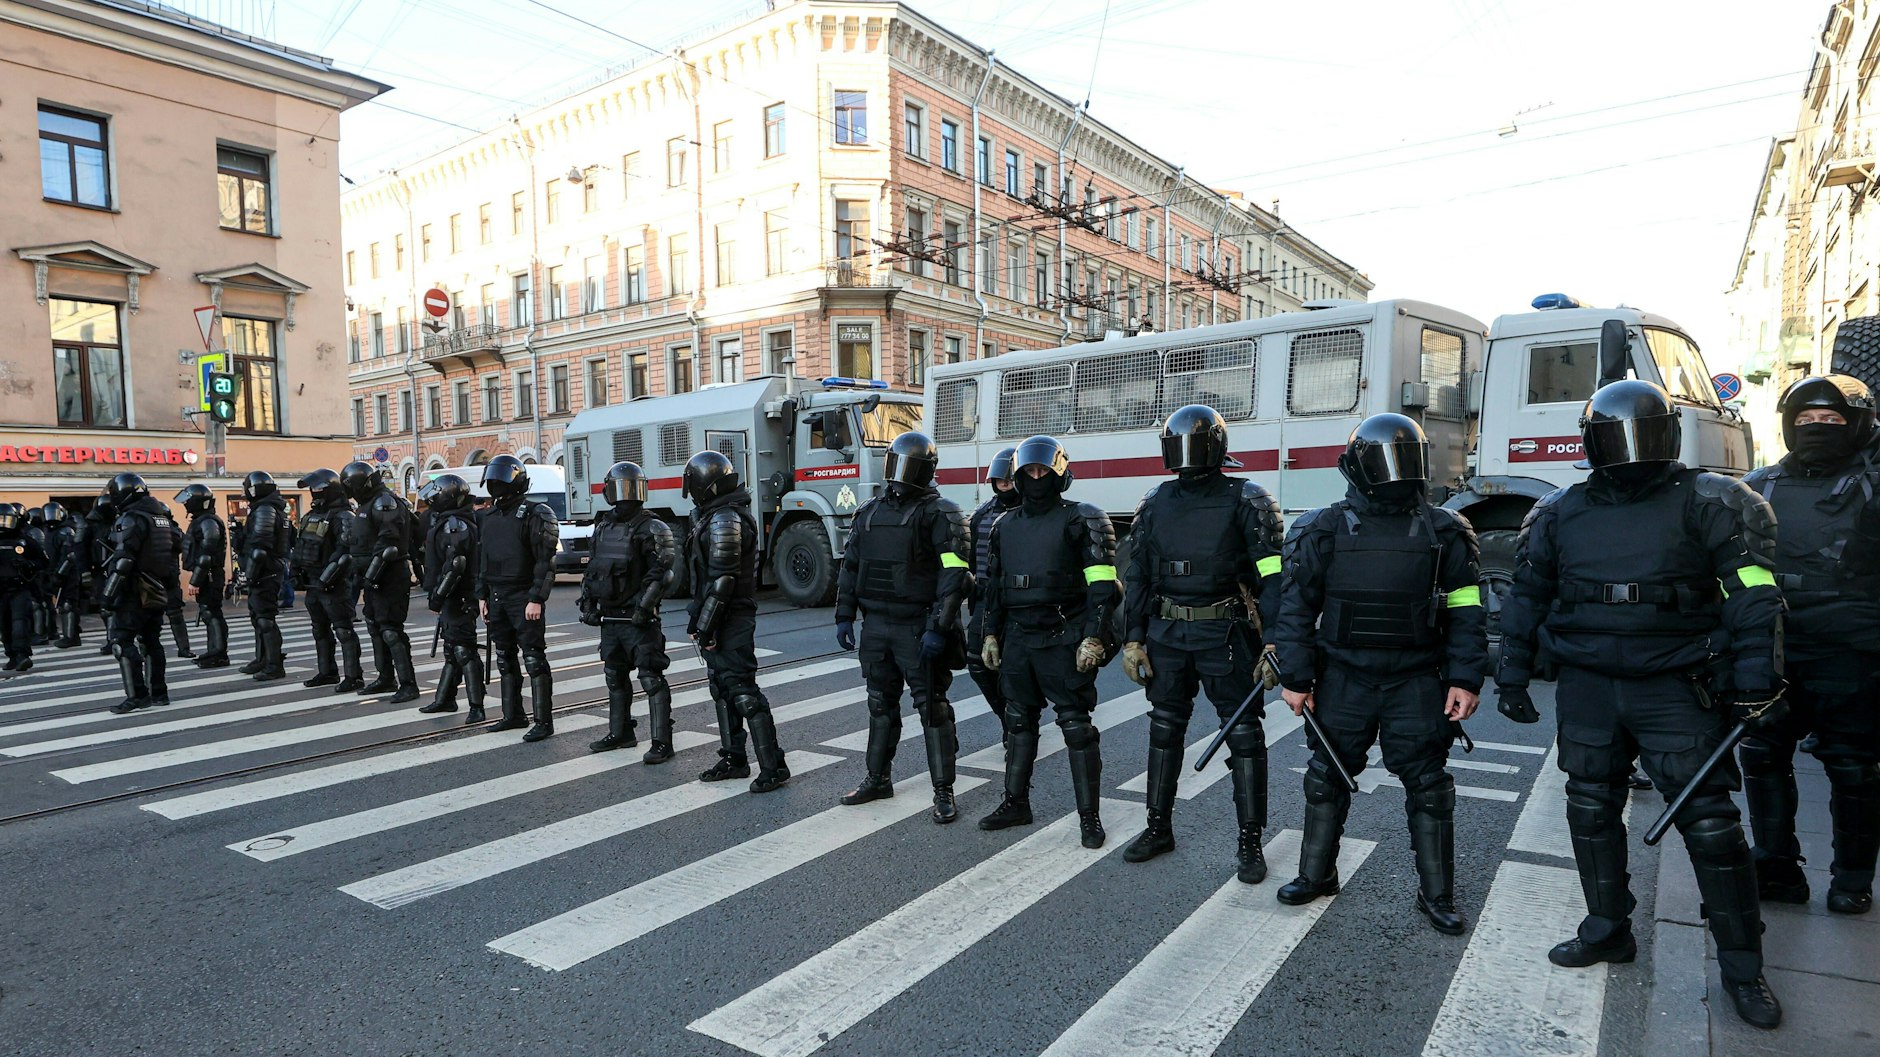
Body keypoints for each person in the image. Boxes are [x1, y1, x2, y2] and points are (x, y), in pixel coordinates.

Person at [1497, 379, 1784, 1029]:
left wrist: (1755, 677)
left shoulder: (1711, 501)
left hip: (1675, 684)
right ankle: (1607, 928)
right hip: (1590, 683)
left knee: (1711, 823)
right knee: (1590, 808)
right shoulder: (1560, 510)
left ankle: (1743, 966)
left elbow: (1753, 593)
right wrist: (1510, 671)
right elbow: (1527, 593)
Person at [1270, 413, 1487, 935]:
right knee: (1326, 780)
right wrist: (1296, 680)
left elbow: (1466, 610)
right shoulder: (1322, 528)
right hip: (1343, 674)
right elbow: (1296, 609)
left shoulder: (1445, 530)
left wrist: (1465, 678)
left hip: (1416, 676)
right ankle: (1317, 875)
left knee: (1429, 785)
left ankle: (1436, 894)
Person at [1120, 405, 1285, 881]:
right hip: (1168, 631)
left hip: (1226, 631)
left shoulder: (1248, 497)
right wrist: (1133, 638)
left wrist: (1274, 642)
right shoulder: (1156, 500)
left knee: (1244, 734)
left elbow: (1274, 577)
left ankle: (1250, 843)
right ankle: (1157, 827)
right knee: (1165, 728)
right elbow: (1139, 574)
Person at [1739, 375, 1880, 915]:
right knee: (1763, 754)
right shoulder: (1760, 485)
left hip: (1852, 650)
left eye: (1831, 421)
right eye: (1806, 421)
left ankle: (1852, 877)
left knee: (1853, 767)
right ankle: (1775, 866)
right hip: (1776, 644)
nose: (1817, 429)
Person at [978, 435, 1120, 848]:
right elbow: (995, 588)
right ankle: (1015, 802)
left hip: (1064, 636)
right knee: (1018, 723)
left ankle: (1089, 818)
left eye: (1043, 471)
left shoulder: (1083, 518)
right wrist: (990, 633)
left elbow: (1103, 585)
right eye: (1029, 472)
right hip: (1020, 638)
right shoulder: (1005, 526)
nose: (1036, 478)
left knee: (1077, 728)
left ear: (1059, 473)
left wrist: (1093, 636)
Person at [833, 432, 972, 822]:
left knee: (933, 709)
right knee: (880, 705)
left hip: (917, 625)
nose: (901, 473)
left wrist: (939, 627)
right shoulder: (869, 512)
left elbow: (954, 576)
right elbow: (852, 567)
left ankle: (943, 791)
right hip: (876, 625)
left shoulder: (941, 513)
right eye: (898, 461)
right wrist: (844, 614)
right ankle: (878, 779)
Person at [684, 450, 791, 792]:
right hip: (718, 615)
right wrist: (699, 622)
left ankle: (773, 767)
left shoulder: (725, 519)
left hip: (731, 617)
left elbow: (724, 582)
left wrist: (706, 626)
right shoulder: (716, 514)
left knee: (742, 691)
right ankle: (734, 758)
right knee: (723, 687)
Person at [579, 462, 678, 759]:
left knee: (650, 678)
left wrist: (644, 608)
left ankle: (662, 742)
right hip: (611, 617)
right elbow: (592, 571)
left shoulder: (652, 527)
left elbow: (662, 574)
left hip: (638, 620)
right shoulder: (604, 527)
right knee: (614, 675)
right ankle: (621, 732)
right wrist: (588, 605)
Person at [475, 455, 559, 740]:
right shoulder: (491, 517)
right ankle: (513, 715)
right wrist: (482, 596)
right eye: (493, 481)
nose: (496, 486)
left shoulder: (536, 513)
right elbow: (483, 560)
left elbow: (545, 561)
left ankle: (543, 722)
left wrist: (537, 598)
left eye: (500, 480)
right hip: (497, 596)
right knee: (503, 658)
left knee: (534, 659)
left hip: (523, 596)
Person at [343, 461, 420, 703]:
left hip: (390, 575)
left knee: (391, 630)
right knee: (375, 626)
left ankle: (408, 684)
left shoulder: (383, 502)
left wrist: (371, 573)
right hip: (373, 576)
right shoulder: (367, 504)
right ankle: (386, 678)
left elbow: (389, 542)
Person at [100, 473, 175, 712]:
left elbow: (124, 560)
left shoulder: (131, 518)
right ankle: (159, 693)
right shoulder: (159, 516)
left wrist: (108, 595)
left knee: (121, 642)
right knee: (151, 641)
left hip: (134, 590)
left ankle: (138, 695)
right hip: (156, 587)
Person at [418, 474, 486, 722]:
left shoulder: (454, 524)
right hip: (454, 595)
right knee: (452, 649)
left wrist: (437, 597)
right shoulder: (449, 520)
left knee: (463, 650)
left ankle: (476, 707)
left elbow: (456, 564)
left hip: (459, 596)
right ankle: (445, 699)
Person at [293, 469, 366, 692]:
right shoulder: (310, 516)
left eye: (318, 488)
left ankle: (354, 676)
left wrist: (329, 577)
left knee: (343, 630)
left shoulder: (343, 516)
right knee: (319, 629)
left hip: (335, 584)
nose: (314, 493)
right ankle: (327, 672)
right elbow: (301, 545)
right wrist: (296, 572)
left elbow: (346, 552)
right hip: (313, 582)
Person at [965, 447, 1018, 734]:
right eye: (1001, 479)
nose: (1005, 483)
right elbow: (970, 558)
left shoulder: (1031, 511)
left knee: (1014, 668)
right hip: (986, 600)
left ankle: (1019, 722)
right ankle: (1007, 718)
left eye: (1010, 478)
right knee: (977, 664)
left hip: (1020, 601)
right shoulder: (982, 514)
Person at [238, 470, 291, 681]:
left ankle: (274, 664)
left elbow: (260, 547)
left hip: (266, 571)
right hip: (266, 570)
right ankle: (263, 658)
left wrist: (248, 575)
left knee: (265, 619)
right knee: (258, 617)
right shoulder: (266, 508)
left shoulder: (265, 510)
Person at [175, 485, 230, 669]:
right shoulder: (203, 520)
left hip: (209, 575)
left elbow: (207, 554)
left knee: (211, 612)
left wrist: (195, 580)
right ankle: (214, 651)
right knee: (209, 612)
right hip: (208, 573)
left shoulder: (207, 522)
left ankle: (218, 653)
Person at [0, 504, 49, 672]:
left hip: (20, 587)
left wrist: (28, 565)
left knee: (19, 622)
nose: (3, 524)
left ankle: (22, 656)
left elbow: (44, 561)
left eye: (7, 520)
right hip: (1, 590)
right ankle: (12, 656)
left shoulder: (25, 541)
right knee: (4, 625)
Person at [46, 502, 84, 650]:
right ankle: (73, 634)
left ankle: (70, 637)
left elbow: (69, 555)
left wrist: (60, 573)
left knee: (68, 605)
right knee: (63, 605)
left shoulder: (66, 531)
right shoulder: (50, 532)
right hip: (54, 572)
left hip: (68, 574)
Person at [85, 490, 117, 655]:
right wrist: (85, 570)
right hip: (100, 569)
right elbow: (81, 548)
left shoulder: (122, 522)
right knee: (105, 607)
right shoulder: (92, 527)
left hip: (119, 569)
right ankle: (112, 639)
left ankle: (116, 639)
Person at [22, 506, 53, 647]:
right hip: (24, 573)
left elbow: (41, 554)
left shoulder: (34, 532)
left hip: (37, 573)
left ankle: (41, 633)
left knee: (38, 603)